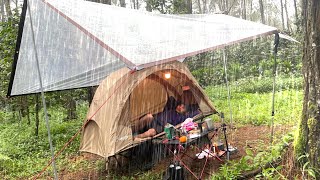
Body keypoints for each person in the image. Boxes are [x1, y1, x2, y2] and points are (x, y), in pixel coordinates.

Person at [133, 102, 200, 141]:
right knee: (148, 116)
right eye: (179, 105)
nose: (179, 107)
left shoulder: (182, 117)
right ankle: (131, 130)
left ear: (185, 111)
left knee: (152, 131)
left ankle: (135, 137)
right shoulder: (170, 108)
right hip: (155, 119)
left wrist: (199, 110)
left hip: (161, 126)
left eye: (182, 108)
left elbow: (195, 113)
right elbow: (170, 98)